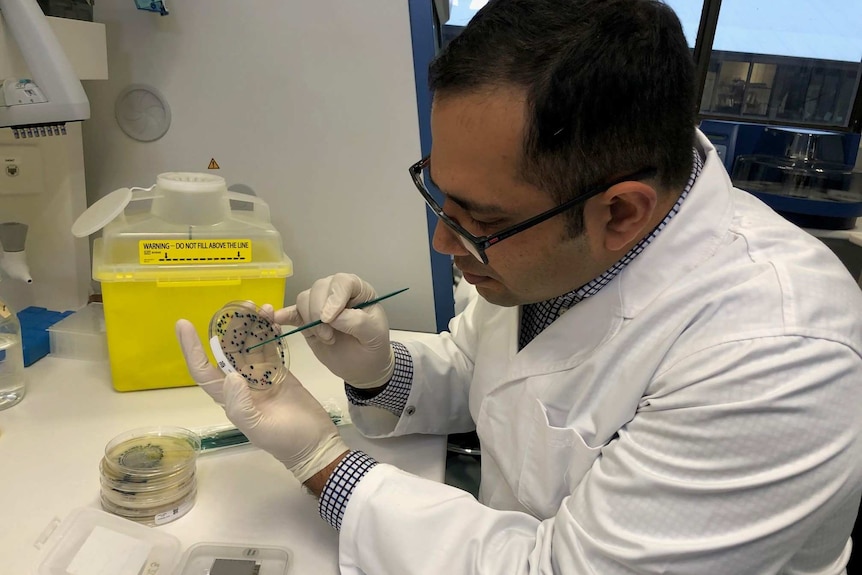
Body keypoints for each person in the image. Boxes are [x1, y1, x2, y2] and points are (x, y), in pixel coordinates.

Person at [176, 0, 862, 572]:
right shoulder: (560, 234)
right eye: (442, 196)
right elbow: (496, 373)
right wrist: (382, 370)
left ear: (621, 212)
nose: (445, 241)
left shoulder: (780, 355)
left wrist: (320, 460)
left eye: (482, 220)